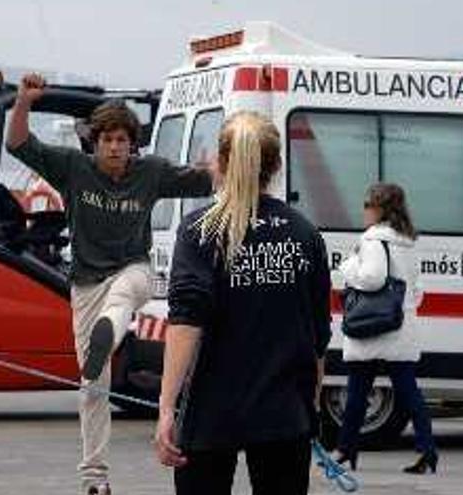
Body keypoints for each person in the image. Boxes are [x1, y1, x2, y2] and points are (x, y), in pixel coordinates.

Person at [6, 73, 213, 495]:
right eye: (107, 141)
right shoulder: (72, 168)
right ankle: (95, 480)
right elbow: (17, 144)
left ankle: (112, 327)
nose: (115, 148)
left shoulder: (150, 172)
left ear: (132, 143)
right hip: (85, 286)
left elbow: (207, 179)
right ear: (94, 143)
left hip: (133, 272)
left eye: (122, 140)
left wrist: (224, 159)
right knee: (92, 387)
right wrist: (24, 102)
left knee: (126, 294)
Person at [154, 111, 330, 495]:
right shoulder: (304, 234)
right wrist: (311, 406)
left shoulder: (200, 231)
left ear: (219, 162)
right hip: (284, 414)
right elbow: (318, 336)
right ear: (277, 165)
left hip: (210, 412)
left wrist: (167, 407)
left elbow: (186, 320)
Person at [332, 183, 438, 475]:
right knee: (408, 391)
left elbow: (372, 279)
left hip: (371, 326)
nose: (363, 211)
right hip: (400, 326)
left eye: (367, 205)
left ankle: (345, 449)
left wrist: (348, 267)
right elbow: (417, 291)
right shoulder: (408, 241)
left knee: (356, 391)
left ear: (379, 209)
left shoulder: (372, 240)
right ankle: (427, 450)